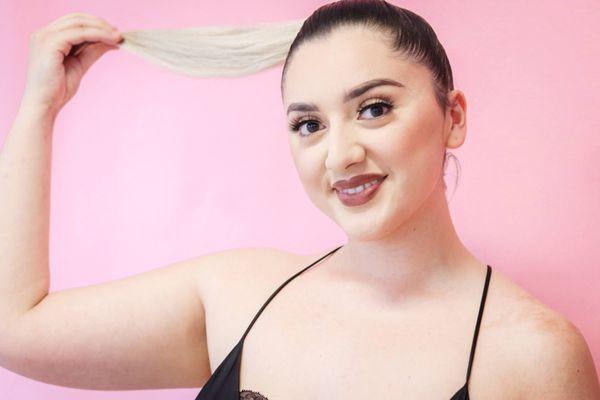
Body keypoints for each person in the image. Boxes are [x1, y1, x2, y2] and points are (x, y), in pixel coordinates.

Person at [0, 1, 598, 399]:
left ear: (454, 117)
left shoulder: (533, 356)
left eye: (374, 108)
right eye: (309, 124)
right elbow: (14, 327)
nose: (339, 156)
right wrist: (39, 109)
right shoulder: (237, 296)